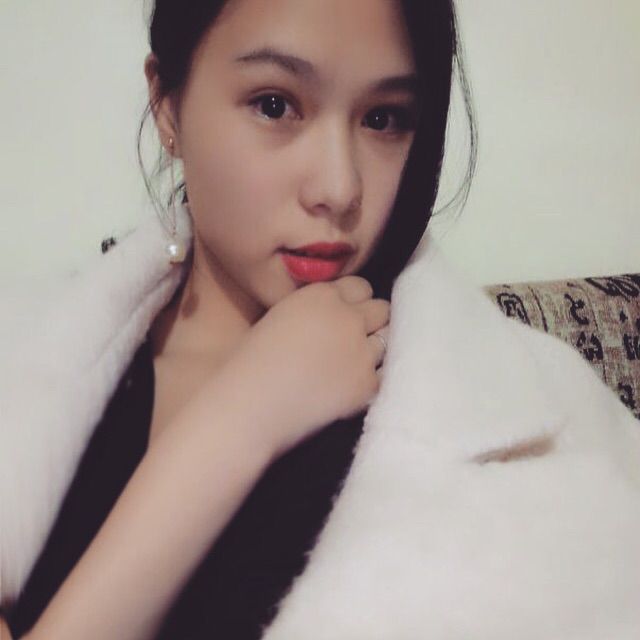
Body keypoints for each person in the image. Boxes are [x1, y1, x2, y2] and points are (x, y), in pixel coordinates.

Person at [1, 0, 639, 638]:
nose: (339, 187)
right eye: (275, 105)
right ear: (168, 105)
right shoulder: (23, 361)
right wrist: (239, 420)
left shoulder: (546, 427)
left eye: (384, 119)